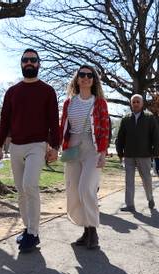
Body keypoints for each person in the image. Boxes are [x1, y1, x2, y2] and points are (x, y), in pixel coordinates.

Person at [0, 49, 60, 253]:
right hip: (16, 147)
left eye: (33, 60)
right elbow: (4, 121)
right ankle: (28, 227)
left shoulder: (47, 91)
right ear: (21, 64)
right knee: (20, 191)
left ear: (39, 64)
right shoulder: (12, 92)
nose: (29, 63)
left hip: (37, 145)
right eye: (25, 60)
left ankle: (33, 233)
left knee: (30, 185)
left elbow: (53, 122)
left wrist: (55, 146)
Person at [59, 65, 109, 249]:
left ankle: (93, 232)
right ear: (77, 79)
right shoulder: (69, 103)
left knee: (86, 188)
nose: (86, 78)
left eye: (90, 75)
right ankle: (86, 231)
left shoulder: (99, 102)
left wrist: (103, 153)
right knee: (74, 191)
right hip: (73, 148)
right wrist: (56, 146)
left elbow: (105, 128)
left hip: (92, 148)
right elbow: (63, 127)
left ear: (94, 80)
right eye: (82, 75)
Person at [116, 94, 159, 212]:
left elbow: (155, 136)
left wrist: (155, 152)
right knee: (129, 180)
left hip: (144, 154)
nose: (135, 104)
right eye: (133, 102)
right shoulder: (125, 119)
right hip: (129, 155)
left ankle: (150, 198)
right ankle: (130, 205)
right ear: (131, 103)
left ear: (142, 103)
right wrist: (120, 153)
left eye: (137, 102)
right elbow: (120, 137)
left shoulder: (149, 118)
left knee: (146, 179)